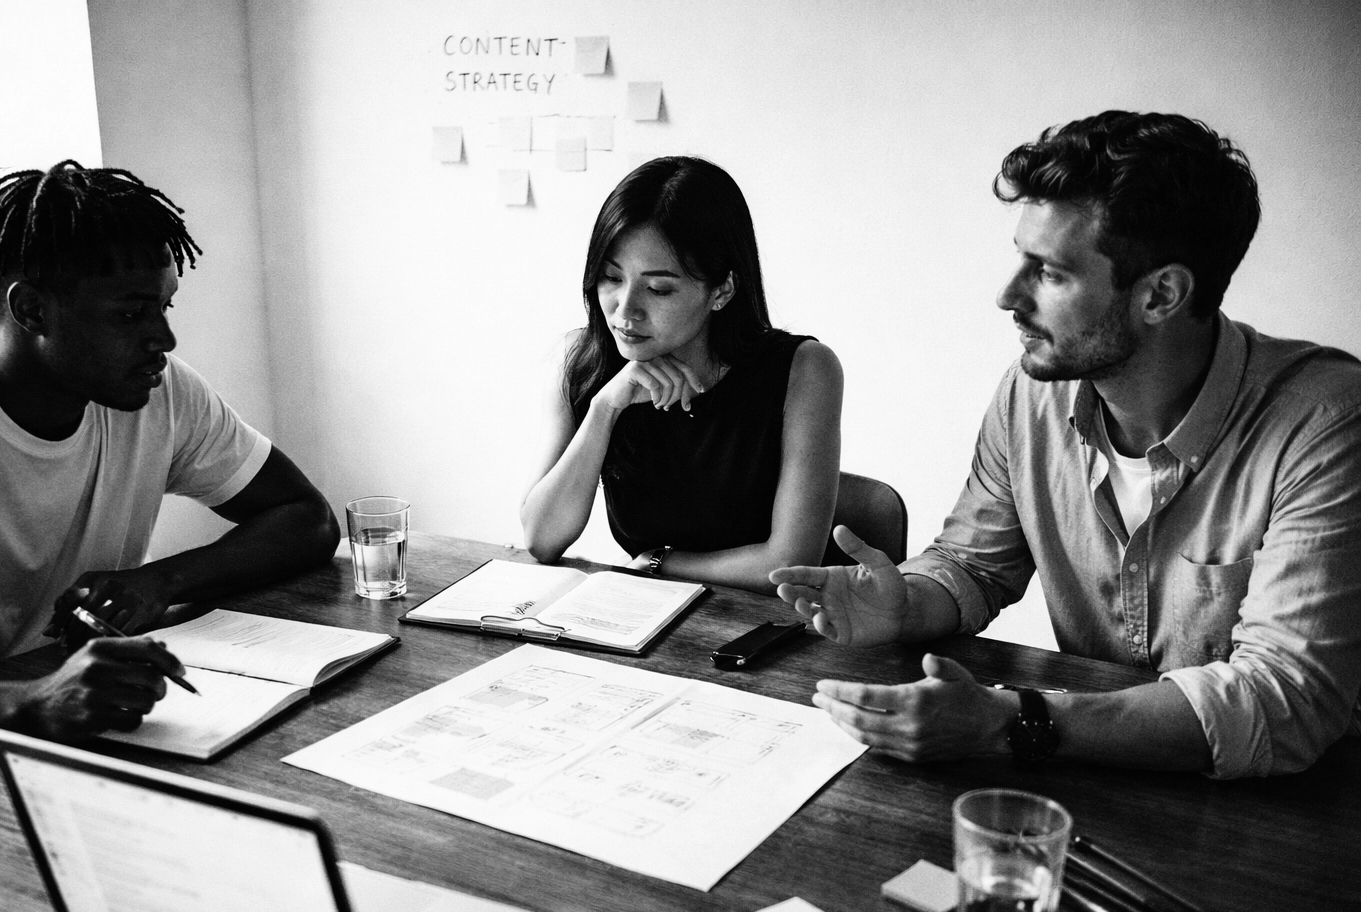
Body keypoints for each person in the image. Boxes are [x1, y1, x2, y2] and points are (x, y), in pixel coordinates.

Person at [772, 111, 1361, 778]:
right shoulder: (1032, 394)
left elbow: (1286, 697)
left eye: (1049, 273)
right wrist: (906, 603)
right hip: (1098, 770)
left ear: (1161, 294)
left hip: (1306, 811)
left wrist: (1013, 721)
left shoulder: (1327, 421)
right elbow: (973, 565)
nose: (1006, 296)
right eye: (1018, 258)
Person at [0, 161, 339, 749]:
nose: (164, 342)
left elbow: (308, 518)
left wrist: (160, 581)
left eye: (164, 308)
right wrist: (29, 701)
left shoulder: (161, 392)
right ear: (32, 310)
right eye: (129, 314)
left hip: (92, 729)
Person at [521, 157, 843, 593]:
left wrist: (660, 563)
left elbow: (788, 563)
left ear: (722, 290)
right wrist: (604, 409)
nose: (624, 308)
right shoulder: (584, 362)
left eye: (658, 289)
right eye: (610, 277)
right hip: (649, 623)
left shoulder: (804, 370)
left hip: (774, 629)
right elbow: (541, 540)